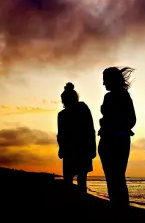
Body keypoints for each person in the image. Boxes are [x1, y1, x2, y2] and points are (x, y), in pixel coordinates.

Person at [98, 67, 136, 214]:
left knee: (116, 178)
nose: (103, 83)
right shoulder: (114, 96)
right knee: (115, 178)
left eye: (105, 79)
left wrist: (110, 125)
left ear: (112, 79)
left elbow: (131, 120)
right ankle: (119, 209)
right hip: (112, 141)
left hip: (116, 141)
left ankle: (120, 210)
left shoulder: (121, 96)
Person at [57, 83, 96, 193]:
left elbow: (90, 129)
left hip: (80, 150)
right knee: (78, 181)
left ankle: (75, 205)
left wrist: (92, 148)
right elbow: (90, 130)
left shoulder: (80, 109)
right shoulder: (65, 114)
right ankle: (77, 205)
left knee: (73, 180)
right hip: (76, 150)